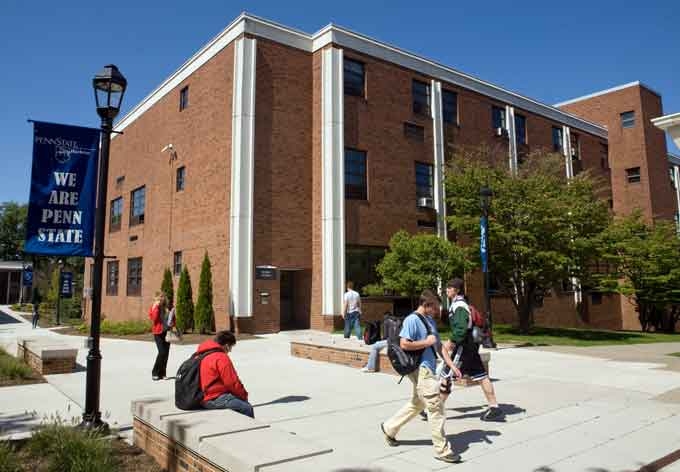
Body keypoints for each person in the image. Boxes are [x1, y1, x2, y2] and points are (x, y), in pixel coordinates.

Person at [380, 290, 462, 464]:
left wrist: (452, 365)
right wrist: (427, 342)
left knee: (417, 403)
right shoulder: (412, 320)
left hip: (429, 369)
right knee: (435, 406)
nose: (437, 311)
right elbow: (404, 343)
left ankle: (389, 428)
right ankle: (442, 450)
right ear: (426, 305)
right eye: (435, 308)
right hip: (421, 369)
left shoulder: (430, 321)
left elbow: (439, 347)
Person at [440, 278, 503, 422]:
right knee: (481, 376)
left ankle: (434, 409)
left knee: (447, 376)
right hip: (470, 347)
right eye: (447, 287)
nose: (447, 290)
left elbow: (461, 329)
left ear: (457, 290)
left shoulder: (459, 305)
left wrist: (450, 343)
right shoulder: (459, 304)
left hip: (463, 347)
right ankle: (494, 407)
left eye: (450, 288)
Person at [197, 330, 254, 418]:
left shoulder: (202, 354)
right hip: (213, 398)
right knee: (247, 408)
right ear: (227, 346)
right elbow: (232, 383)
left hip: (201, 396)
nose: (230, 351)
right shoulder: (221, 357)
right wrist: (244, 396)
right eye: (231, 347)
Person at [149, 293, 170, 381]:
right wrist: (156, 308)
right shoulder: (154, 308)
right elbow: (154, 319)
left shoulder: (167, 308)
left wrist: (171, 320)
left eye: (163, 297)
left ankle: (163, 373)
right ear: (156, 299)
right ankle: (155, 372)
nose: (161, 299)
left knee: (166, 354)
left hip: (166, 332)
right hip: (158, 332)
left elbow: (172, 319)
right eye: (159, 298)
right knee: (162, 352)